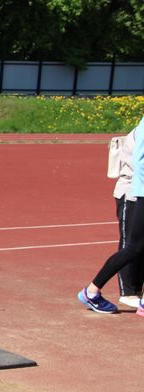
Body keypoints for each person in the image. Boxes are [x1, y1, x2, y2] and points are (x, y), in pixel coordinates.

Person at [78, 115, 144, 315]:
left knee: (135, 248)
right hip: (140, 192)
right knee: (133, 248)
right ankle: (92, 291)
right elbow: (140, 162)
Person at [111, 128, 143, 307]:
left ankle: (137, 288)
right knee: (129, 243)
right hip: (130, 190)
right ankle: (127, 291)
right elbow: (139, 164)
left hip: (139, 191)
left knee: (140, 243)